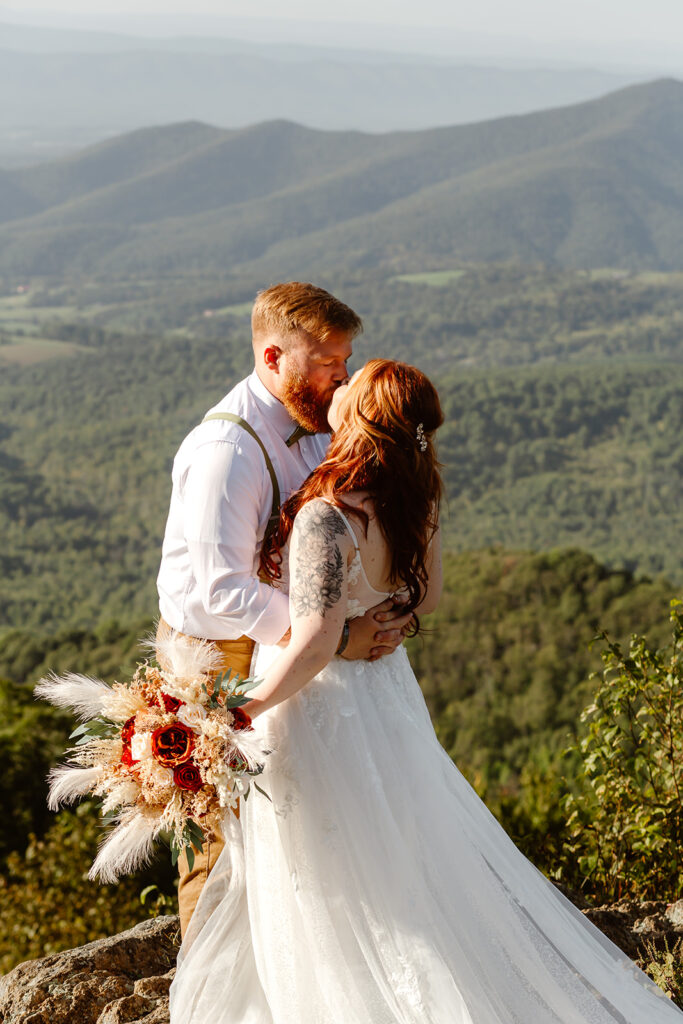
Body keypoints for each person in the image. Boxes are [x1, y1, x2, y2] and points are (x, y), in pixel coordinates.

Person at [170, 359, 681, 1023]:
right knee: (395, 852)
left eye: (350, 384)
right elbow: (428, 597)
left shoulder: (328, 516)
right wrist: (387, 615)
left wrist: (240, 709)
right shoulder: (417, 496)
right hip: (386, 698)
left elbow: (316, 641)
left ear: (360, 416)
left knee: (324, 875)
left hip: (321, 710)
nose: (341, 381)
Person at [156, 285, 412, 936]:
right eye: (329, 362)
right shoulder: (226, 452)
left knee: (290, 819)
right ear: (274, 356)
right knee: (214, 830)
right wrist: (333, 636)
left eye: (346, 359)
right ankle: (206, 984)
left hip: (286, 638)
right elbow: (222, 588)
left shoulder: (316, 420)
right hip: (211, 653)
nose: (344, 377)